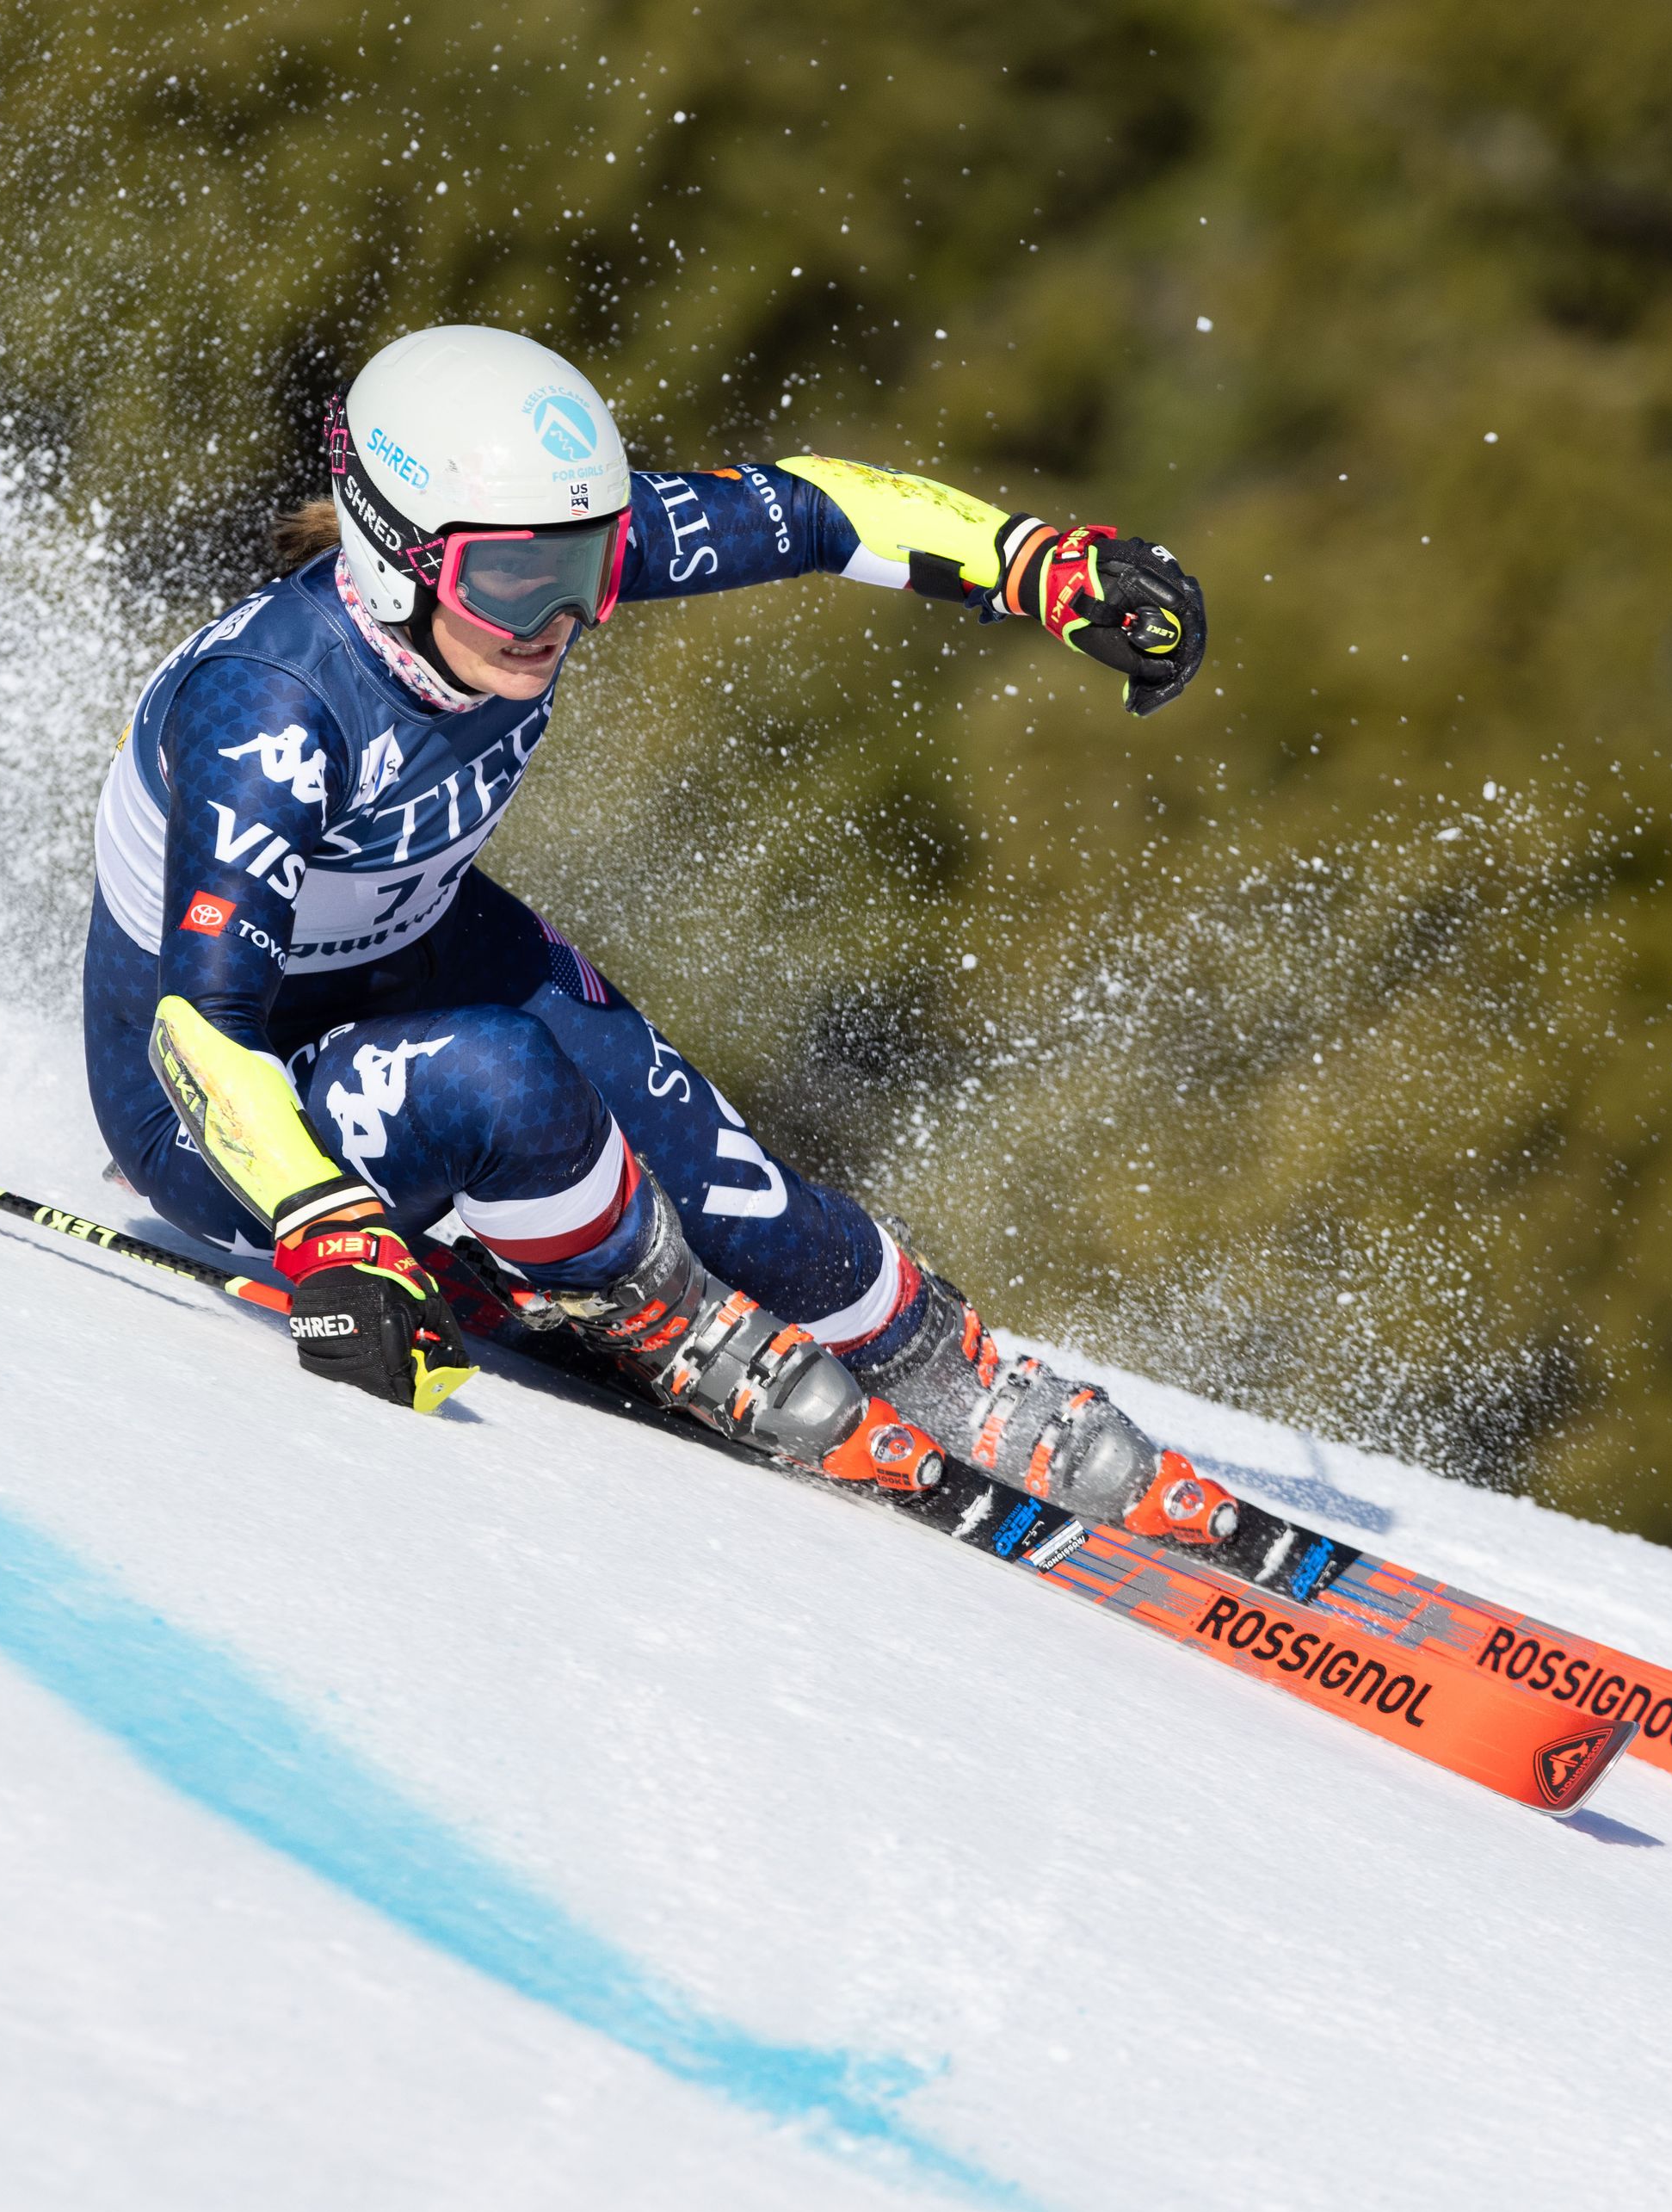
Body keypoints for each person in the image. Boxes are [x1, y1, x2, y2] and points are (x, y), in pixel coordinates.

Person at [81, 323, 1236, 1538]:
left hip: (408, 945)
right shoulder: (270, 715)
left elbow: (817, 511)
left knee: (745, 1199)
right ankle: (645, 1309)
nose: (560, 617)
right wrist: (331, 1232)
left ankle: (947, 1367)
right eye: (517, 585)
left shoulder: (524, 559)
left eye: (588, 570)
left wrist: (1033, 562)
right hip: (209, 1096)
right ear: (392, 560)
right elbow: (200, 1030)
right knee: (505, 1083)